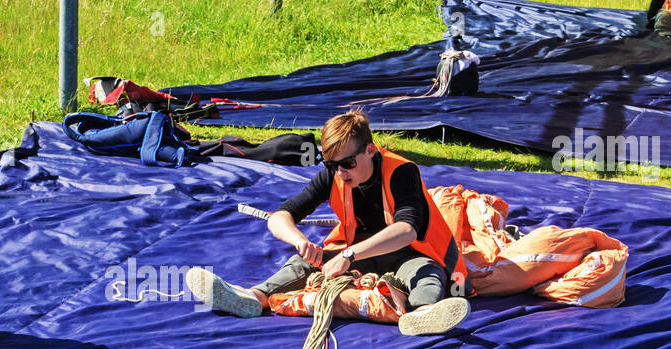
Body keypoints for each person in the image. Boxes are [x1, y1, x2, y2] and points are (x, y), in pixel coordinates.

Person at [185, 110, 472, 336]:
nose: (340, 173)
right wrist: (299, 240)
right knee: (301, 263)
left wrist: (349, 255)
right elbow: (281, 217)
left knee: (426, 272)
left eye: (347, 164)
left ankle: (422, 314)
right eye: (331, 165)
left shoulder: (401, 172)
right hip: (361, 256)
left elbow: (406, 230)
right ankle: (252, 298)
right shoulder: (334, 174)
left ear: (371, 150)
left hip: (411, 254)